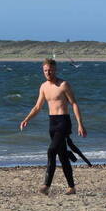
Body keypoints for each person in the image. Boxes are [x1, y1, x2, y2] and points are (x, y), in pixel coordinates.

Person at [19, 58, 86, 195]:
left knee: (51, 151)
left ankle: (46, 185)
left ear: (55, 70)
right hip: (52, 123)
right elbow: (38, 106)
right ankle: (72, 187)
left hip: (64, 122)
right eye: (45, 70)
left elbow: (74, 103)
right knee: (62, 156)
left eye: (50, 70)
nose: (48, 73)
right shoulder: (43, 87)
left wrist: (80, 124)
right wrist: (27, 119)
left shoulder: (63, 85)